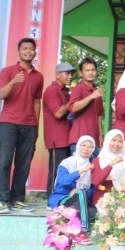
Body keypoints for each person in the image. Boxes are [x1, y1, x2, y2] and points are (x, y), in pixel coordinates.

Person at [0, 38, 44, 214]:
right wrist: (13, 81)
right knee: (4, 161)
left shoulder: (39, 76)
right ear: (19, 51)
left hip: (29, 125)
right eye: (25, 48)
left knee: (24, 164)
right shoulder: (8, 72)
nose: (28, 51)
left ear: (35, 52)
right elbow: (1, 95)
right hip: (8, 123)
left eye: (31, 49)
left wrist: (36, 125)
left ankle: (17, 200)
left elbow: (37, 101)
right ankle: (2, 201)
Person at [48, 135, 96, 244]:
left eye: (90, 147)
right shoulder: (67, 162)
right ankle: (81, 231)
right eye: (83, 145)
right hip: (62, 199)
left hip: (79, 202)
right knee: (81, 192)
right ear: (78, 146)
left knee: (93, 211)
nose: (86, 149)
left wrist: (78, 191)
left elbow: (92, 190)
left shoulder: (92, 166)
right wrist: (81, 171)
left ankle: (71, 227)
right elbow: (62, 181)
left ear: (93, 150)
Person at [43, 62, 75, 198]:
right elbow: (58, 113)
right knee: (56, 171)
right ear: (57, 75)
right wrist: (73, 101)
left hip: (67, 138)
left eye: (71, 74)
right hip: (57, 139)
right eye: (67, 73)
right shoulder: (52, 90)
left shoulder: (65, 91)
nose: (70, 76)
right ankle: (51, 199)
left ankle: (62, 199)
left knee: (66, 171)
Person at [68, 57, 104, 154]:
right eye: (87, 70)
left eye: (93, 70)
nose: (91, 73)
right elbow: (73, 108)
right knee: (80, 165)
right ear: (81, 73)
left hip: (94, 141)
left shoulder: (97, 91)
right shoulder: (78, 89)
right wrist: (91, 96)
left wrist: (100, 135)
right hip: (79, 140)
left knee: (95, 164)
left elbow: (99, 115)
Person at [90, 130, 125, 206]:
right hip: (103, 200)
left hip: (123, 199)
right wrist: (111, 164)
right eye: (114, 140)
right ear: (107, 141)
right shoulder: (98, 160)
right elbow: (96, 181)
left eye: (120, 141)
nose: (117, 144)